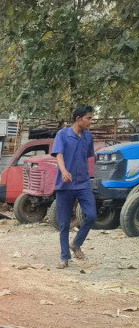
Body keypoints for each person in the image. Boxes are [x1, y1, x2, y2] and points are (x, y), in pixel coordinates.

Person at [51, 104, 97, 268]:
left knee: (91, 215)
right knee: (63, 223)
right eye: (88, 118)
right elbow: (59, 155)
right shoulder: (62, 134)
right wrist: (64, 171)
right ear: (79, 119)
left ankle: (76, 243)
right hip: (65, 184)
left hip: (83, 182)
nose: (90, 121)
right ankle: (64, 257)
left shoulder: (88, 137)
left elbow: (88, 157)